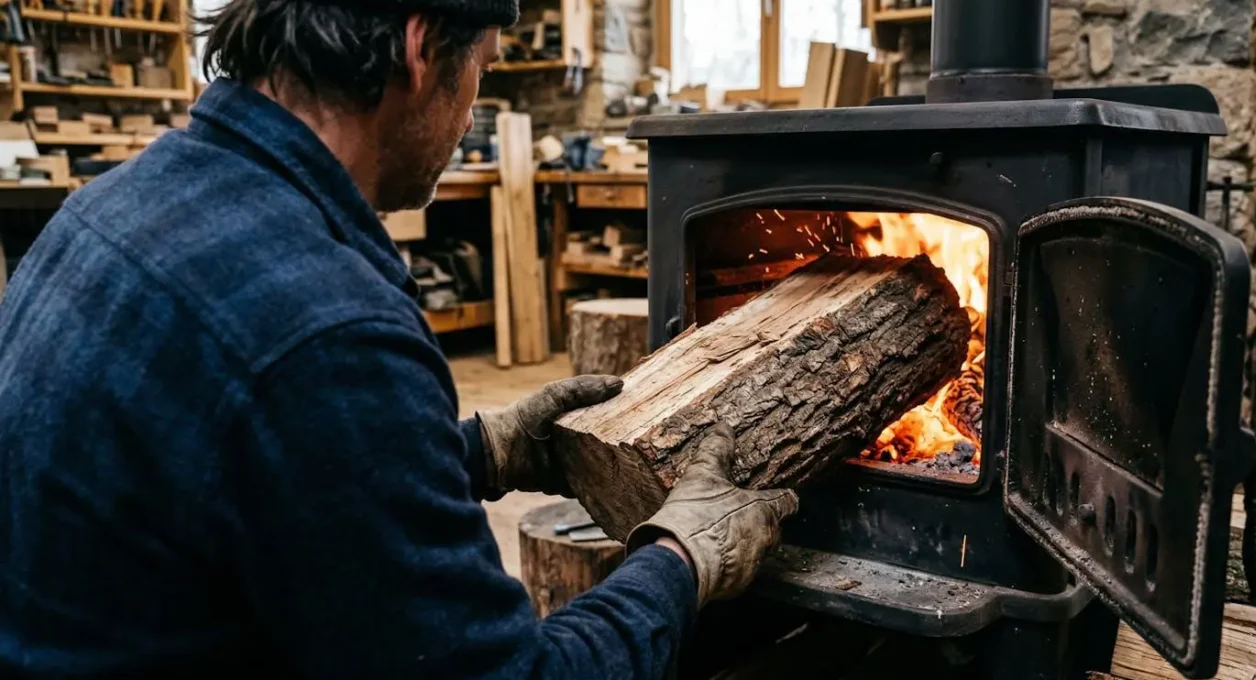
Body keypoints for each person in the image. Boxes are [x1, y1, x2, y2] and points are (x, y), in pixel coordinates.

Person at [0, 0, 799, 677]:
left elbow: (268, 476)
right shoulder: (331, 331)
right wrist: (681, 560)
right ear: (421, 48)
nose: (468, 118)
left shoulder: (106, 206)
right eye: (481, 71)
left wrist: (481, 448)